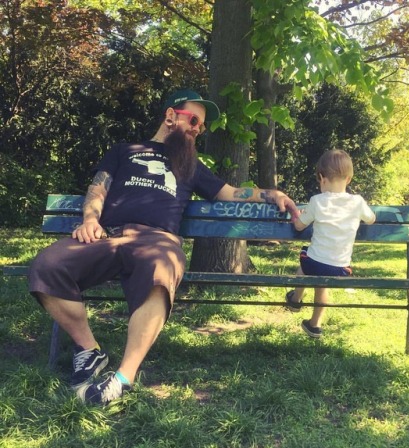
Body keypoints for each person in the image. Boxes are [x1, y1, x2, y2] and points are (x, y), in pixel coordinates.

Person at [28, 89, 298, 404]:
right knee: (47, 266)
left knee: (161, 271)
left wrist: (269, 193)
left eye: (202, 126)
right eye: (194, 120)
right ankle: (89, 351)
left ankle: (122, 378)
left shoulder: (191, 166)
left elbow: (230, 193)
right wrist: (90, 220)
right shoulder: (124, 151)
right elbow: (97, 188)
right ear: (171, 116)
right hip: (108, 235)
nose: (198, 129)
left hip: (159, 241)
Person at [285, 149, 376, 338]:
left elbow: (300, 226)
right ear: (349, 179)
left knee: (304, 265)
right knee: (322, 283)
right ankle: (315, 324)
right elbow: (371, 219)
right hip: (340, 269)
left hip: (313, 264)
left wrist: (297, 217)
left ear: (321, 178)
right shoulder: (357, 202)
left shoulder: (317, 201)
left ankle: (295, 300)